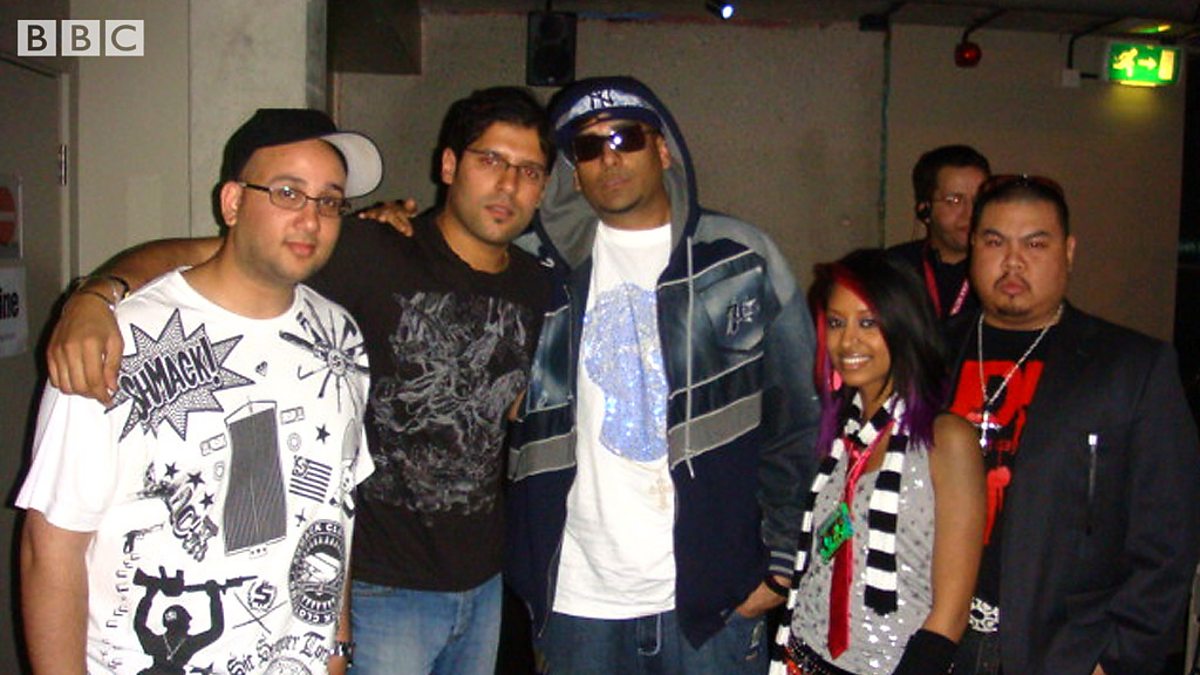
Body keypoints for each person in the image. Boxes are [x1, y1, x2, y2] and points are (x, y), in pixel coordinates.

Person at [41, 87, 555, 675]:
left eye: (529, 171)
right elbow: (211, 254)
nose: (508, 184)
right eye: (491, 160)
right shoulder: (372, 248)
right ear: (449, 165)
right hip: (382, 587)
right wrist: (96, 295)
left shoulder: (538, 287)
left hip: (480, 582)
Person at [18, 107, 382, 673]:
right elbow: (51, 550)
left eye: (329, 201)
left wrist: (336, 647)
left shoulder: (340, 336)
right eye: (288, 193)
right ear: (232, 203)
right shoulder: (120, 337)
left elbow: (335, 508)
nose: (311, 219)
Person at [504, 75, 821, 674]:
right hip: (575, 597)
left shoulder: (740, 258)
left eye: (626, 137)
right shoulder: (533, 270)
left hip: (714, 599)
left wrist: (782, 564)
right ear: (573, 172)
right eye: (588, 148)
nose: (609, 159)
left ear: (664, 148)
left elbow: (800, 419)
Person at [943, 174, 1200, 675]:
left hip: (1062, 651)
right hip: (934, 640)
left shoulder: (1130, 367)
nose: (1013, 262)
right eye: (995, 242)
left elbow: (1169, 535)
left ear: (1069, 251)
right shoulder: (931, 352)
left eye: (1035, 244)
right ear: (973, 246)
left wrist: (1117, 657)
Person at [768, 249, 985, 675]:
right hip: (802, 655)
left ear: (904, 325)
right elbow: (820, 557)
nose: (848, 341)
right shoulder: (837, 437)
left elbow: (952, 612)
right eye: (836, 323)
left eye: (868, 323)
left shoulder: (946, 441)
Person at [886, 145, 990, 320]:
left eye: (978, 200)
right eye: (954, 200)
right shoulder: (895, 267)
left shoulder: (1002, 268)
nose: (970, 213)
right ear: (925, 210)